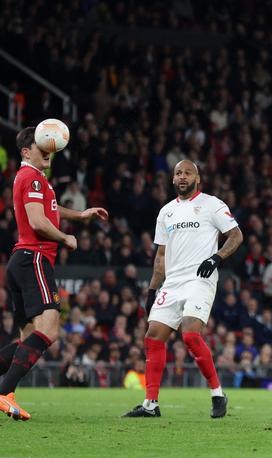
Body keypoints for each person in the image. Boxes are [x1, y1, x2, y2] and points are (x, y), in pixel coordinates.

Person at [0, 126, 108, 420]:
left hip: (22, 261)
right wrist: (65, 237)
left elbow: (48, 208)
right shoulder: (31, 178)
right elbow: (37, 221)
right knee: (49, 330)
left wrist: (79, 215)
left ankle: (5, 390)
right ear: (26, 151)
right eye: (40, 145)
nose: (48, 149)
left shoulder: (33, 179)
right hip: (34, 258)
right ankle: (4, 390)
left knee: (29, 338)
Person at [122, 160, 243, 419]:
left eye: (188, 173)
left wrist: (217, 258)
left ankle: (217, 393)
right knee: (152, 336)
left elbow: (236, 235)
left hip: (200, 278)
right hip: (172, 283)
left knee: (189, 334)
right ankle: (150, 404)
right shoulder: (166, 212)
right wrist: (152, 291)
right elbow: (161, 255)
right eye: (178, 173)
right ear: (172, 180)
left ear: (197, 178)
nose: (183, 177)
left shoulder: (212, 204)